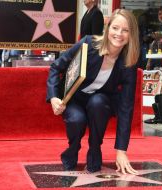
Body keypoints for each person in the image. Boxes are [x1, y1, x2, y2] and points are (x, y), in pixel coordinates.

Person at [47, 9, 140, 174]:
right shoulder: (88, 43)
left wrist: (121, 151)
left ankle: (95, 149)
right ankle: (73, 149)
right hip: (75, 98)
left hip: (100, 102)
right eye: (115, 28)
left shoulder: (129, 63)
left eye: (125, 30)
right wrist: (54, 97)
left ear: (131, 35)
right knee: (77, 119)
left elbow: (126, 106)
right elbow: (56, 66)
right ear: (108, 28)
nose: (119, 34)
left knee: (98, 102)